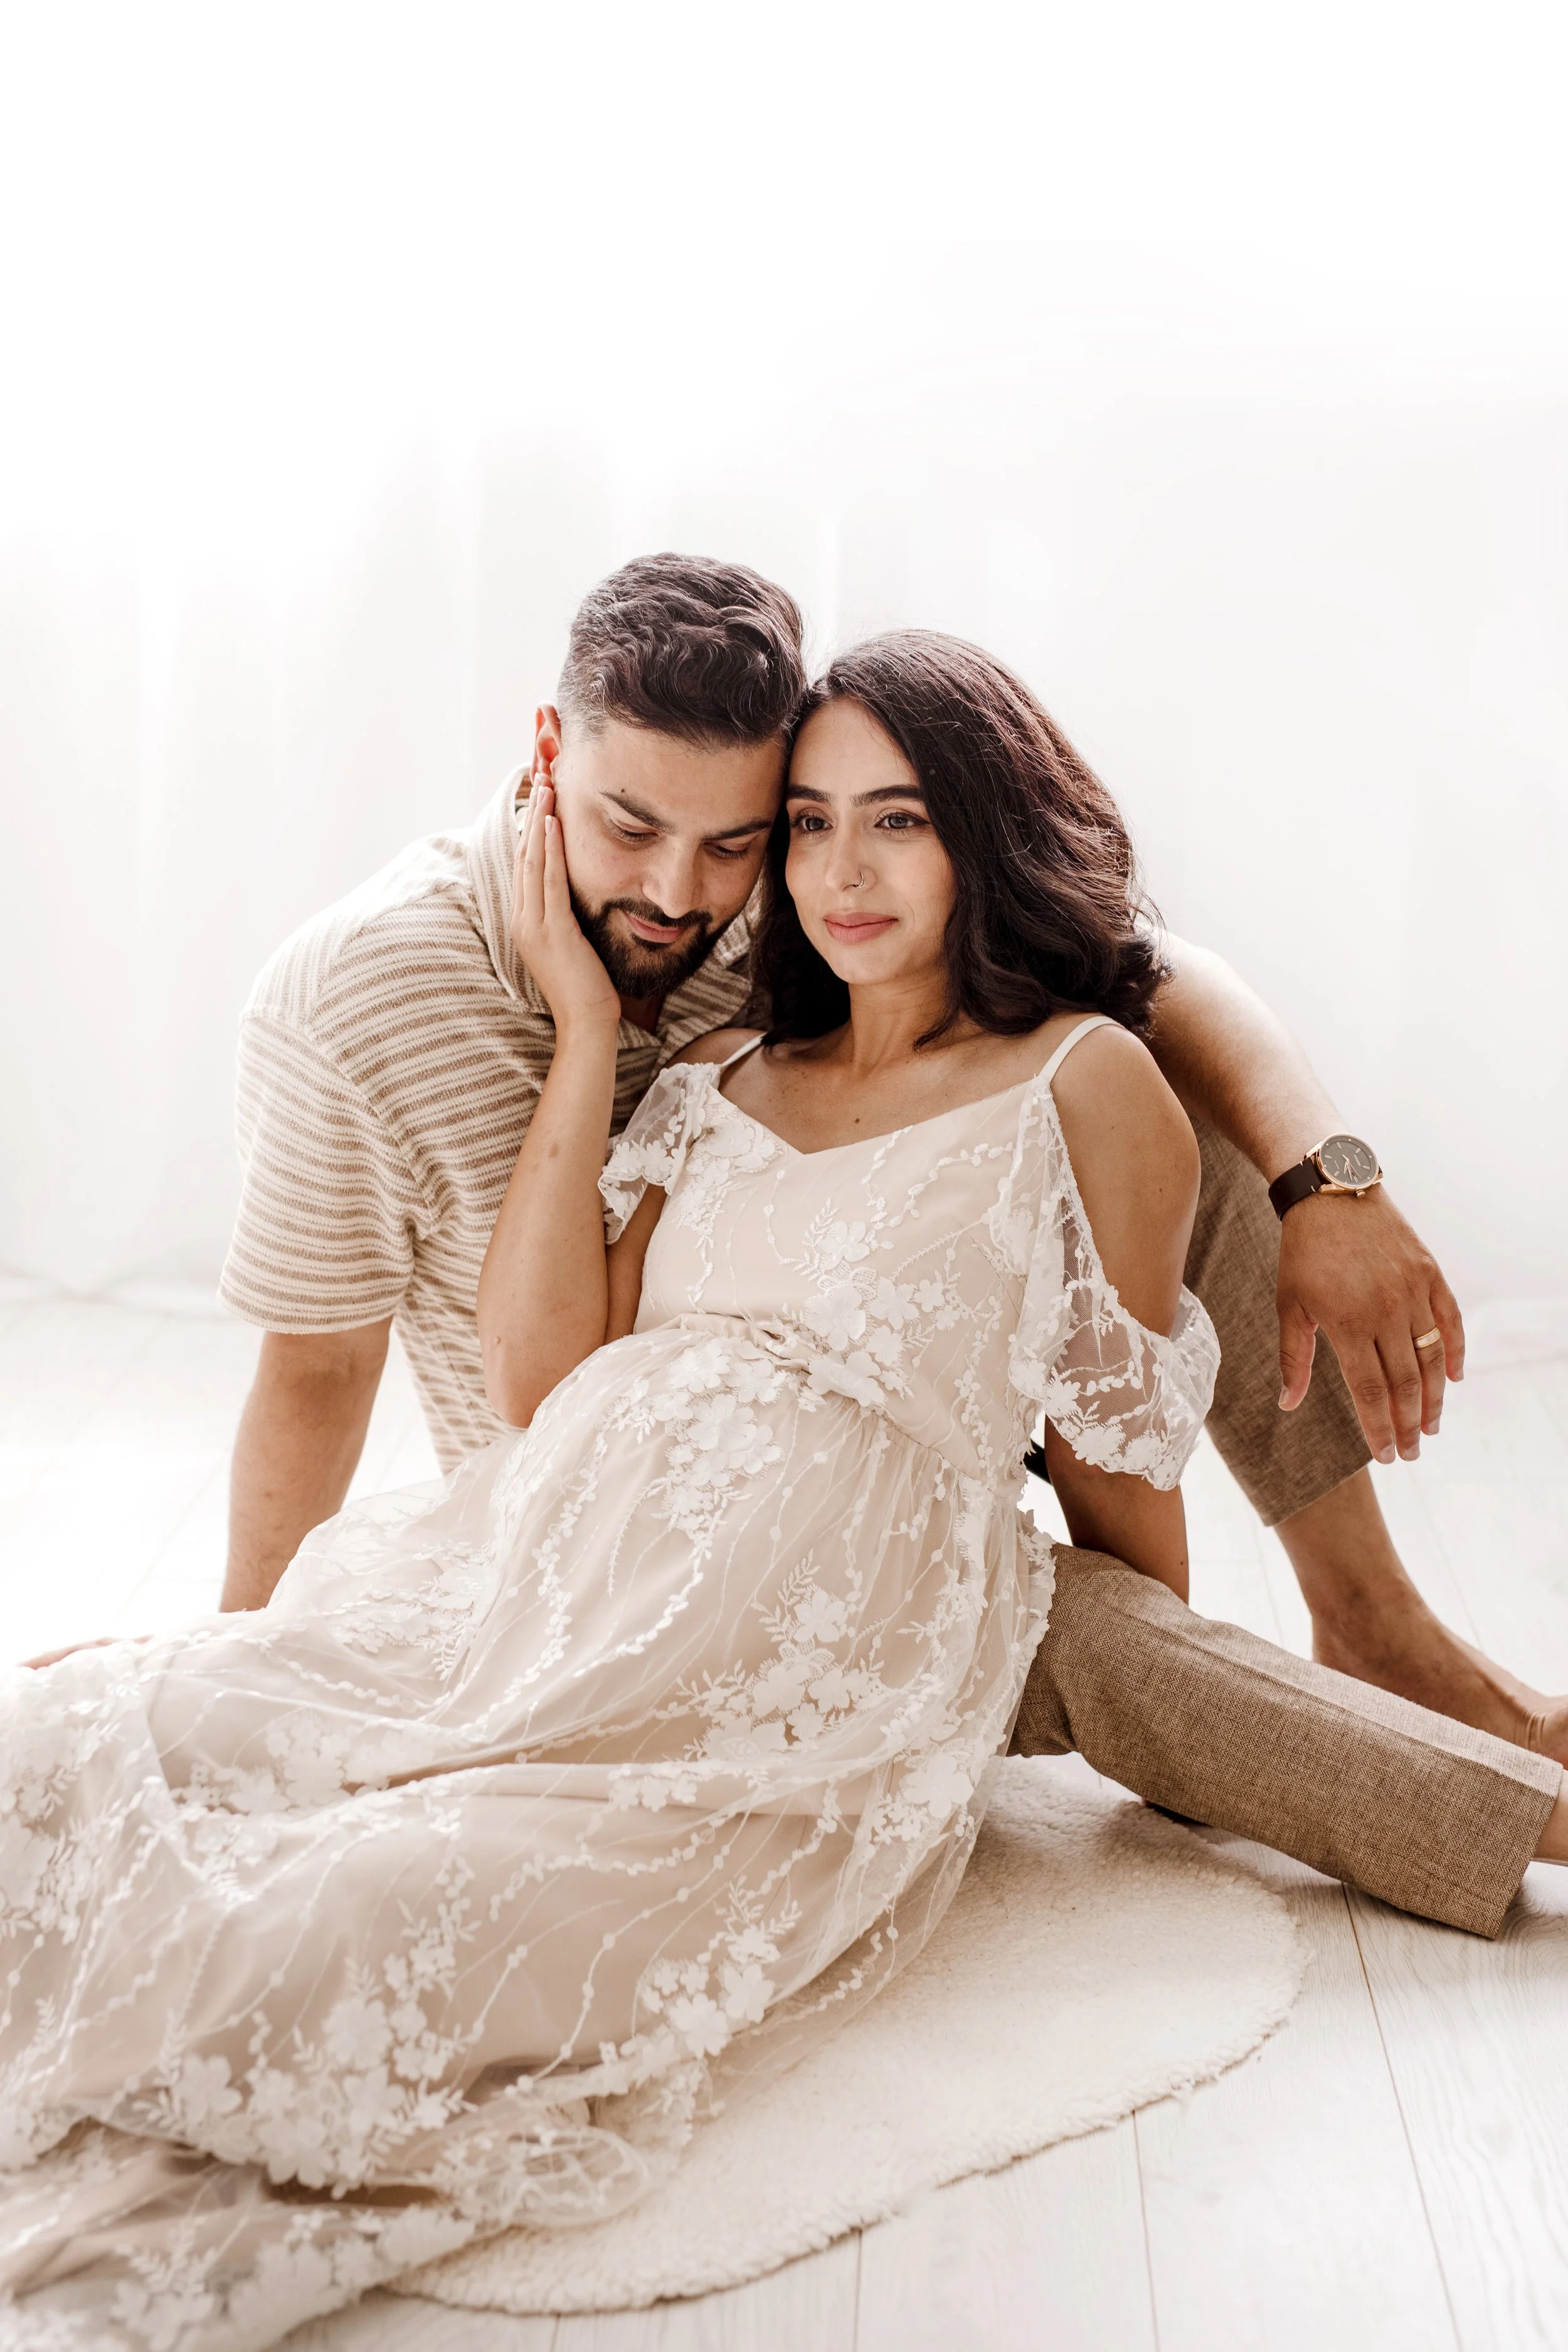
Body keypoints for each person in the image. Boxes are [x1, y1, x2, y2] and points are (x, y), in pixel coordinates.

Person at [3, 628, 1563, 2349]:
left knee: (338, 1931)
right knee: (73, 1759)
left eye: (892, 820)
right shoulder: (716, 1069)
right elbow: (543, 1376)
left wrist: (1151, 1655)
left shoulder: (1080, 1078)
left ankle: (1406, 1664)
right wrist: (593, 1028)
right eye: (808, 824)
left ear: (985, 831)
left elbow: (1120, 1441)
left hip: (796, 1677)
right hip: (531, 1584)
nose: (831, 868)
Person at [215, 553, 1563, 1757]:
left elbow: (1146, 975)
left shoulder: (806, 893)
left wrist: (1329, 1180)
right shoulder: (351, 1000)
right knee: (1109, 1645)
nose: (680, 893)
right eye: (629, 827)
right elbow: (320, 1370)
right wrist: (250, 1662)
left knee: (1153, 1100)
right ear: (546, 751)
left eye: (738, 839)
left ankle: (1367, 1618)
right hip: (622, 1507)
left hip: (897, 1397)